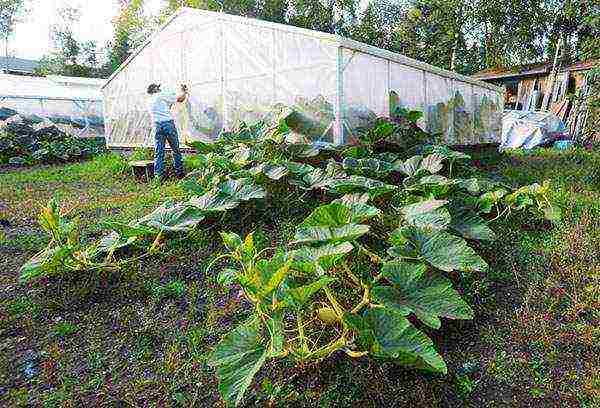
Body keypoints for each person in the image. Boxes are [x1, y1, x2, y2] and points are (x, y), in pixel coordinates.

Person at [147, 83, 189, 180]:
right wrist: (184, 91)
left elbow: (166, 106)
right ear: (156, 89)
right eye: (158, 88)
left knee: (159, 151)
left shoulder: (149, 100)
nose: (160, 89)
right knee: (175, 149)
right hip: (167, 124)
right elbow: (180, 99)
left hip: (156, 126)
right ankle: (180, 173)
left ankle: (158, 176)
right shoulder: (160, 95)